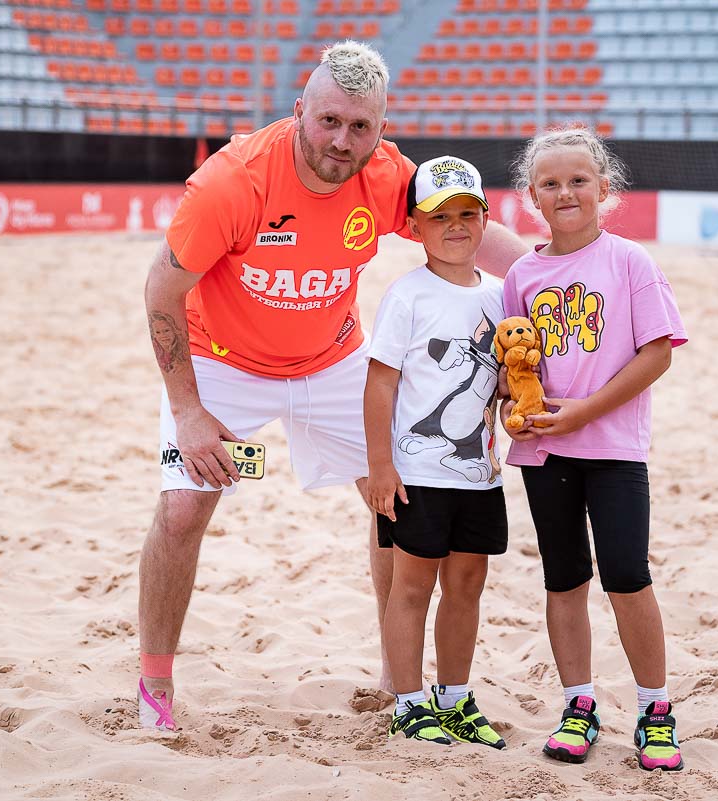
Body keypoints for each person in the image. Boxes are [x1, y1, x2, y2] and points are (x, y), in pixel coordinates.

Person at [137, 41, 528, 731]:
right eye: (329, 121)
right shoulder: (232, 183)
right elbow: (161, 291)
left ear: (381, 129)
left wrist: (550, 279)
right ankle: (155, 685)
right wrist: (188, 409)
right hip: (222, 361)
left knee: (395, 497)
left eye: (359, 126)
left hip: (333, 358)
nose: (341, 141)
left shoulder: (386, 175)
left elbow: (473, 231)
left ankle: (396, 677)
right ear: (299, 111)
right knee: (181, 512)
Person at [501, 128, 688, 771]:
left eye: (578, 180)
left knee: (627, 577)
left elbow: (657, 353)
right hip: (546, 455)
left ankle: (655, 709)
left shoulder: (630, 261)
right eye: (550, 183)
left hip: (613, 449)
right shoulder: (522, 274)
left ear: (604, 188)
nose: (565, 193)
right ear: (532, 197)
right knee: (564, 578)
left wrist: (585, 410)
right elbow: (514, 368)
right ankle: (578, 704)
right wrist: (512, 413)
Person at [363, 156, 508, 748]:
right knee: (412, 587)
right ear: (415, 227)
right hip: (416, 472)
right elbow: (381, 383)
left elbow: (505, 381)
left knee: (467, 584)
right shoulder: (408, 296)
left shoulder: (502, 295)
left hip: (480, 473)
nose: (455, 226)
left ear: (485, 220)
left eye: (467, 214)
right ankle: (408, 701)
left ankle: (454, 697)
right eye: (439, 216)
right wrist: (380, 466)